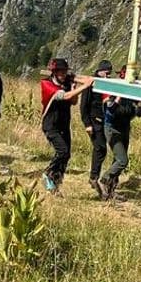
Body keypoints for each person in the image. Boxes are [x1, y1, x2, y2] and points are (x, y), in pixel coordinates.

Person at [40, 58, 92, 193]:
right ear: (54, 72)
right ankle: (47, 173)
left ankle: (55, 184)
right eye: (60, 72)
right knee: (62, 151)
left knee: (66, 154)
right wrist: (84, 86)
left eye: (64, 72)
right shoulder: (46, 84)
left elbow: (73, 101)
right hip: (50, 125)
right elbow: (65, 96)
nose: (63, 74)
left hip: (63, 124)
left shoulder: (68, 82)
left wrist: (75, 87)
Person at [99, 66, 141, 201]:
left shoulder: (133, 94)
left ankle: (111, 190)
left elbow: (139, 114)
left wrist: (139, 101)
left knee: (116, 160)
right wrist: (120, 94)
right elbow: (110, 111)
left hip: (125, 127)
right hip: (112, 128)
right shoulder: (113, 90)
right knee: (122, 160)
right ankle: (104, 180)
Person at [80, 59, 112, 197]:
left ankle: (94, 177)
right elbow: (83, 105)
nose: (109, 75)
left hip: (103, 121)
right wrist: (87, 123)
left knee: (101, 149)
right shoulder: (91, 83)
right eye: (107, 72)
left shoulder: (107, 84)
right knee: (100, 148)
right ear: (101, 71)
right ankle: (93, 177)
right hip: (94, 121)